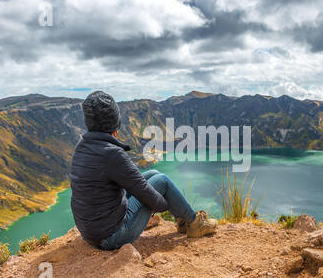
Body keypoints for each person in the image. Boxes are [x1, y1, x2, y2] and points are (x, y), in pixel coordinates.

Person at [69, 91, 217, 250]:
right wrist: (162, 202)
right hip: (112, 235)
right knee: (162, 181)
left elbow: (135, 183)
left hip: (90, 232)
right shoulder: (112, 154)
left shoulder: (82, 146)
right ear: (114, 123)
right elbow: (148, 194)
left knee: (153, 174)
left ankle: (182, 220)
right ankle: (195, 224)